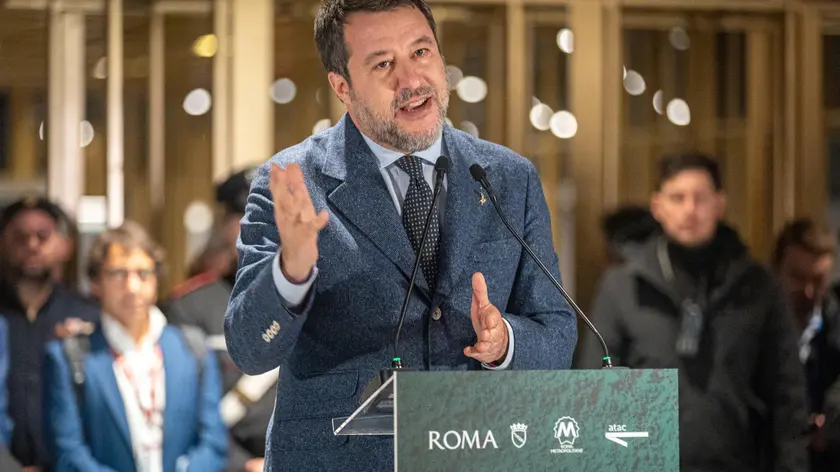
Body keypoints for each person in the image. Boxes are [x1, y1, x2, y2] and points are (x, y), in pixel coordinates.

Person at [224, 0, 577, 470]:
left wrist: (504, 342)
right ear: (342, 86)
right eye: (383, 64)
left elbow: (557, 332)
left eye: (421, 52)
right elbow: (250, 350)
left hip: (476, 453)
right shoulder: (292, 183)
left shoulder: (509, 177)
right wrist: (291, 272)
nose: (411, 80)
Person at [581, 153, 809, 472]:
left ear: (719, 204)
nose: (690, 209)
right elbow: (596, 387)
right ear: (658, 206)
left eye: (700, 198)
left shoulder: (757, 287)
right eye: (678, 198)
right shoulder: (623, 286)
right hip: (645, 462)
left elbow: (788, 395)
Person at [42, 222, 227, 472]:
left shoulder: (192, 349)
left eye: (143, 273)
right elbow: (68, 453)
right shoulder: (69, 357)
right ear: (96, 282)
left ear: (156, 279)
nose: (132, 287)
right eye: (118, 273)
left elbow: (213, 442)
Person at [165, 168, 273, 472]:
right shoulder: (189, 307)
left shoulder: (317, 301)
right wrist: (241, 464)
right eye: (247, 217)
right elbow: (183, 406)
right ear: (227, 227)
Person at [0, 197, 99, 470]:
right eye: (20, 237)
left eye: (42, 236)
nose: (32, 245)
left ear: (65, 246)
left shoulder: (88, 315)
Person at [772, 218, 840, 471]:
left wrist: (831, 423)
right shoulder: (750, 326)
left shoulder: (834, 327)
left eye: (818, 280)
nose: (808, 292)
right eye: (798, 278)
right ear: (776, 270)